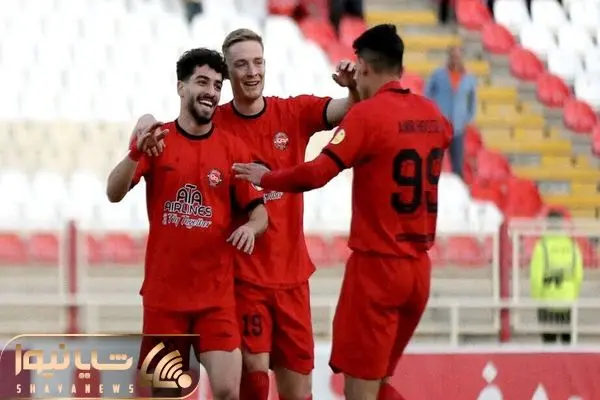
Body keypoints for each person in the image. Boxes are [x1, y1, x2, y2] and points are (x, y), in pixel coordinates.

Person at [131, 28, 358, 400]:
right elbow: (173, 129)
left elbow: (346, 108)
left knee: (299, 389)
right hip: (242, 277)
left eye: (257, 62)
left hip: (292, 275)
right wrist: (144, 119)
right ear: (228, 72)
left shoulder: (293, 112)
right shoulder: (213, 121)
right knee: (251, 374)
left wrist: (353, 89)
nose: (252, 72)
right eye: (241, 65)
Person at [233, 24, 451, 400]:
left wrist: (266, 177)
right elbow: (437, 136)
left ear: (362, 66)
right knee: (378, 385)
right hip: (419, 271)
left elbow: (317, 173)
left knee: (359, 392)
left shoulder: (367, 116)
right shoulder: (433, 115)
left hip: (378, 268)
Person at [105, 48, 268, 400]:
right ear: (181, 87)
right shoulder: (157, 140)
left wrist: (250, 228)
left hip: (215, 299)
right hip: (165, 300)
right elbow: (113, 193)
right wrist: (135, 152)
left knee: (228, 390)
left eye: (217, 85)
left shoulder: (233, 149)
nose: (211, 91)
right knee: (163, 394)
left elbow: (260, 212)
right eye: (202, 82)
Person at [530, 211, 583, 344]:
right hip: (568, 300)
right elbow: (578, 275)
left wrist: (537, 299)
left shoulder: (542, 246)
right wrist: (574, 295)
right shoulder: (572, 246)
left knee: (549, 344)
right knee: (568, 342)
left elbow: (536, 277)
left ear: (547, 224)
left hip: (547, 299)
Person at [424, 46, 476, 179]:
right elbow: (427, 94)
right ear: (449, 57)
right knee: (434, 163)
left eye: (458, 57)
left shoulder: (469, 78)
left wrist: (468, 119)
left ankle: (457, 188)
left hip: (458, 128)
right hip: (439, 126)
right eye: (453, 56)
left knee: (457, 166)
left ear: (462, 58)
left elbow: (472, 101)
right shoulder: (438, 75)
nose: (455, 60)